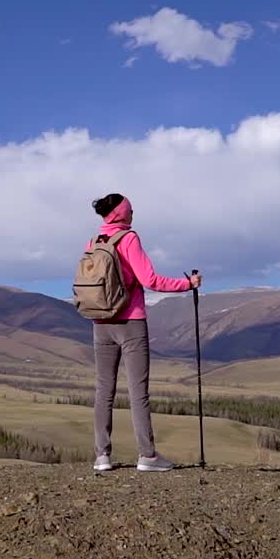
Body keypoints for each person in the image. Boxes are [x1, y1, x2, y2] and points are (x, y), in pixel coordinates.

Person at [86, 193, 201, 472]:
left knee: (104, 390)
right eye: (131, 210)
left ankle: (102, 456)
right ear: (122, 213)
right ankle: (147, 456)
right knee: (139, 392)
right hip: (131, 322)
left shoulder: (94, 242)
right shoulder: (129, 239)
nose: (134, 213)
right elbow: (150, 280)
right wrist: (188, 284)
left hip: (101, 322)